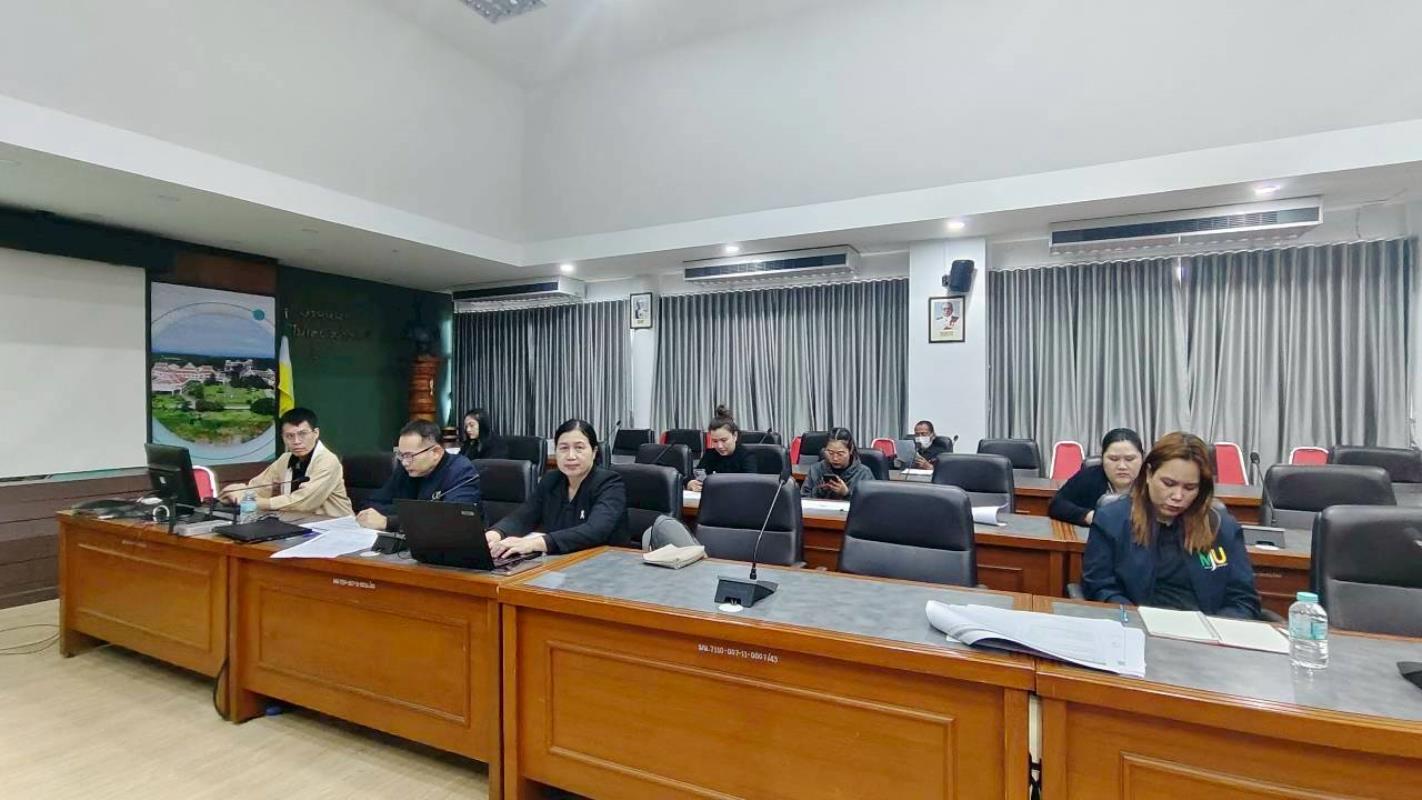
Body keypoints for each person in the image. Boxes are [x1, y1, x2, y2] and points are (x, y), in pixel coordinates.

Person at [1082, 432, 1260, 619]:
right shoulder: (1112, 520)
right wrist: (1136, 619)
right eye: (1168, 484)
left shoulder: (1223, 528)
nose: (1177, 496)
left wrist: (1216, 627)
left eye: (1189, 488)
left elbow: (1243, 599)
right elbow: (1099, 587)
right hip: (1136, 624)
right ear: (1149, 474)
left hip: (1206, 628)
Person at [487, 419, 628, 556]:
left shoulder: (610, 483)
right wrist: (496, 533)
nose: (571, 456)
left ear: (594, 452)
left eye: (579, 448)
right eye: (564, 448)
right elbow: (523, 516)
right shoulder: (551, 480)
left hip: (604, 561)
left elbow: (596, 530)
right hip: (561, 560)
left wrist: (534, 543)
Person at [220, 407, 353, 517]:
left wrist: (250, 502)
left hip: (335, 526)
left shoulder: (328, 461)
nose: (296, 441)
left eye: (302, 434)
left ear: (316, 433)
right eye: (289, 436)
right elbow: (260, 487)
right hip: (299, 523)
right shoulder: (285, 459)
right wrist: (234, 493)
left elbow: (302, 503)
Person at [357, 419, 481, 532]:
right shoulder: (406, 469)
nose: (405, 462)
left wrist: (389, 522)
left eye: (410, 456)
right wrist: (417, 513)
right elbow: (370, 505)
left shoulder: (461, 471)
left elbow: (452, 521)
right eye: (401, 455)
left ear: (436, 452)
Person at [1048, 428, 1145, 526]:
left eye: (1129, 459)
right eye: (1113, 459)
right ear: (1102, 458)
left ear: (1142, 458)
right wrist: (1089, 516)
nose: (1122, 466)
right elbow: (1056, 505)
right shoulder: (1089, 476)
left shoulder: (1151, 481)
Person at [687, 405, 759, 491]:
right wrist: (690, 483)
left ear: (735, 436)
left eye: (724, 440)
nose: (719, 446)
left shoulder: (747, 456)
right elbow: (693, 476)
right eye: (715, 441)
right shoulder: (710, 454)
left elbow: (751, 484)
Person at [800, 427, 874, 500]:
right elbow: (803, 499)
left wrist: (847, 494)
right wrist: (820, 491)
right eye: (830, 453)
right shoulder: (816, 470)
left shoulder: (863, 473)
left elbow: (870, 503)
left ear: (851, 450)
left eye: (840, 453)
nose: (835, 458)